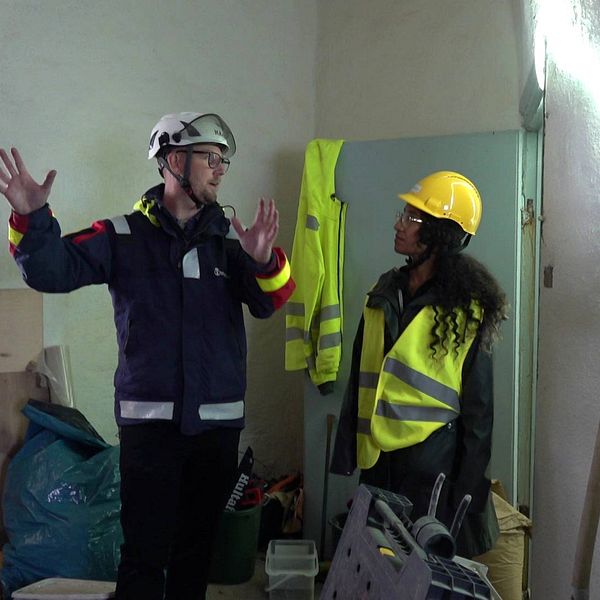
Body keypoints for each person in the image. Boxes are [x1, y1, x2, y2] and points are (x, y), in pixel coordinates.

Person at [0, 112, 295, 599]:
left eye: (223, 160)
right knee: (143, 554)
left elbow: (270, 302)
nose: (220, 169)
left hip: (217, 429)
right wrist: (32, 218)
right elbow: (51, 271)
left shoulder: (231, 241)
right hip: (150, 430)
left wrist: (264, 261)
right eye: (210, 157)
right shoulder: (122, 236)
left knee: (195, 556)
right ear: (174, 161)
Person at [330, 170, 507, 558]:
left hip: (431, 474)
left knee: (420, 569)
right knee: (376, 563)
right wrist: (346, 452)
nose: (399, 224)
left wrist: (467, 497)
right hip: (378, 463)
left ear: (440, 234)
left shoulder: (466, 311)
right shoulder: (382, 293)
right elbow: (361, 380)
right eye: (404, 214)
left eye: (412, 218)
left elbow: (479, 415)